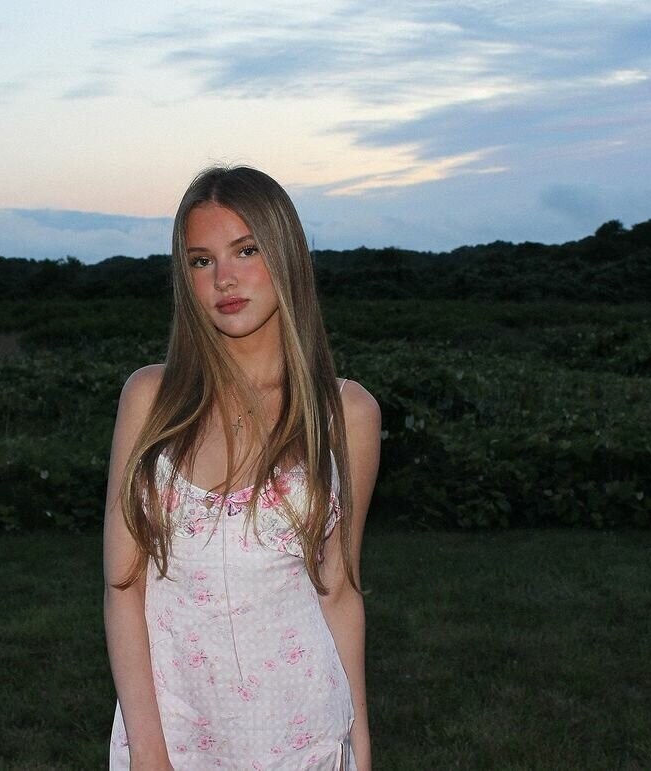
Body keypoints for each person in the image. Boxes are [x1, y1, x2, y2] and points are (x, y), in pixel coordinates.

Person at [104, 165, 380, 770]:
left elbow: (339, 591)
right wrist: (148, 752)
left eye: (246, 250)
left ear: (287, 255)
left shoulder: (346, 414)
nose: (224, 278)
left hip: (303, 738)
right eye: (201, 261)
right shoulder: (151, 401)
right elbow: (124, 589)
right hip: (173, 736)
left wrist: (359, 752)